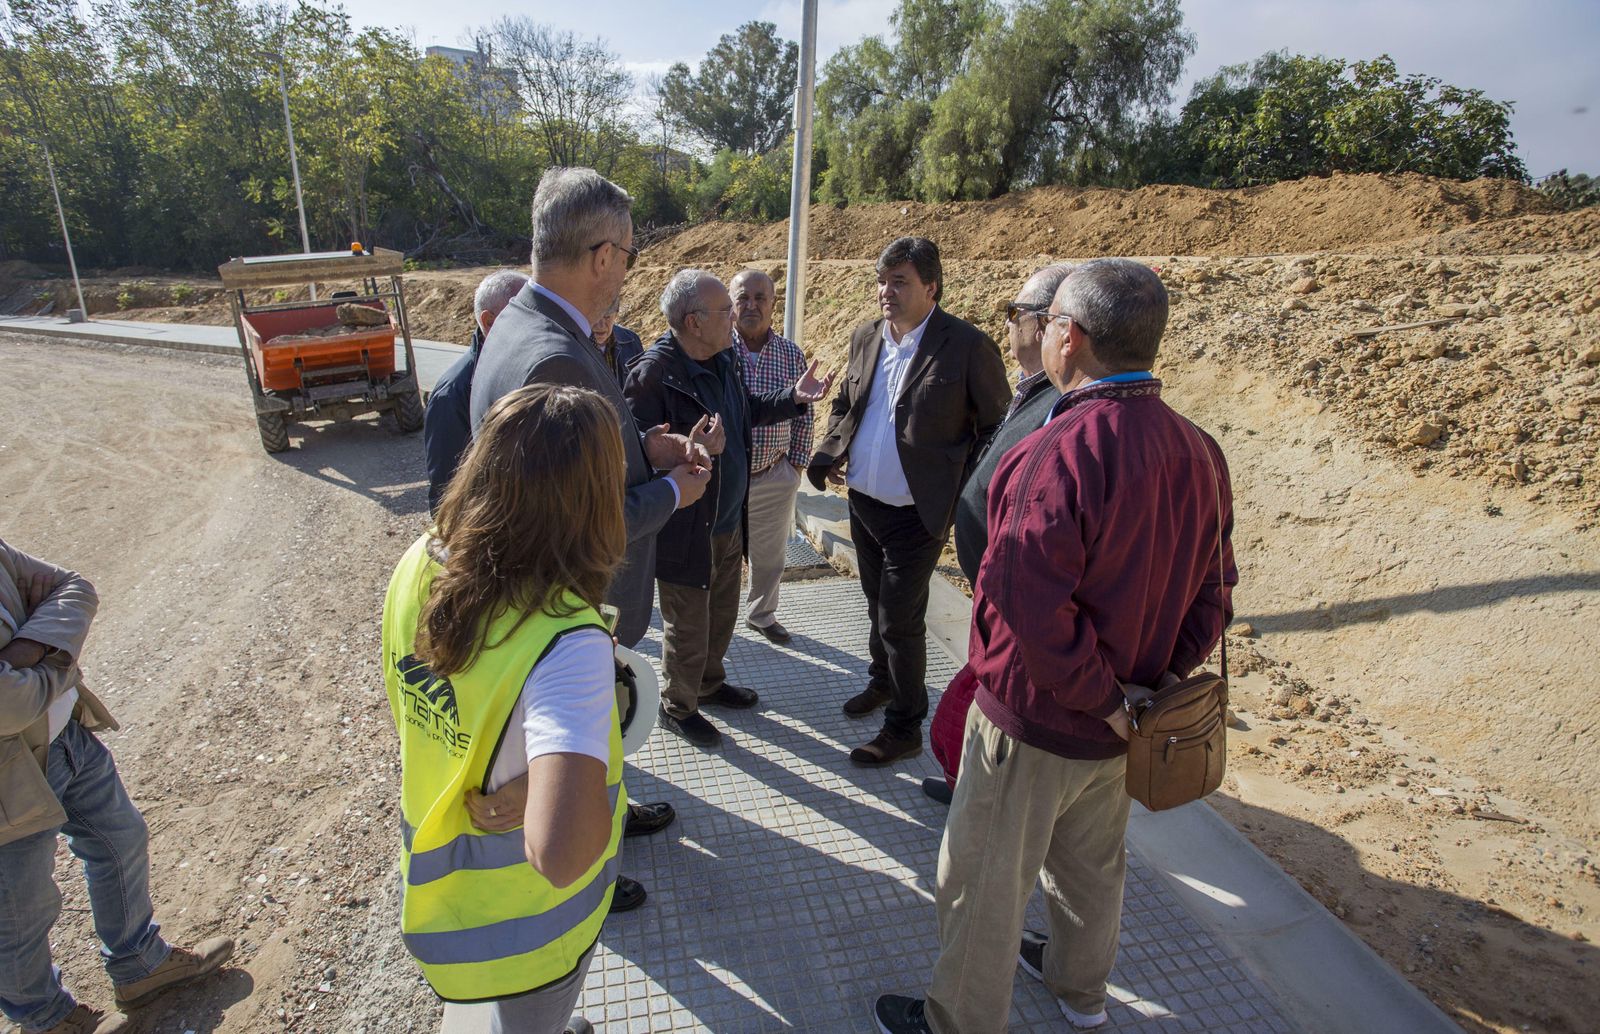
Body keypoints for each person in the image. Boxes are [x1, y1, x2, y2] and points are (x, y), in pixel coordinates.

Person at [872, 259, 1238, 1034]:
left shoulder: (1058, 450)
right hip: (1126, 725)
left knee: (981, 883)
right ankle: (1081, 992)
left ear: (1066, 337)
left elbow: (1028, 609)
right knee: (1091, 871)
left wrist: (1105, 699)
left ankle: (958, 1021)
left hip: (1035, 726)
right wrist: (1149, 689)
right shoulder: (1201, 450)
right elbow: (1215, 595)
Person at [467, 166, 696, 911]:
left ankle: (616, 815)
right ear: (602, 256)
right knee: (585, 738)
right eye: (628, 256)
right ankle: (598, 868)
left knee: (605, 735)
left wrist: (642, 450)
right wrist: (671, 490)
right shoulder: (557, 356)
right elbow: (577, 526)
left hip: (552, 605)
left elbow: (573, 469)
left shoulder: (525, 324)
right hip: (571, 610)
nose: (626, 272)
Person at [384, 384, 634, 1034]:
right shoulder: (567, 642)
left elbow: (460, 703)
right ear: (594, 499)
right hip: (529, 927)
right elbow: (561, 855)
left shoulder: (417, 563)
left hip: (444, 891)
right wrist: (552, 786)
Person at [1, 539, 233, 1034]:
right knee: (20, 908)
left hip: (66, 738)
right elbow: (8, 705)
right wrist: (55, 652)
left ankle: (139, 965)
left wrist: (27, 650)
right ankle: (45, 1019)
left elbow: (75, 586)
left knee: (120, 839)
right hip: (9, 777)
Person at [807, 236, 1009, 766]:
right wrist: (834, 450)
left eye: (899, 282)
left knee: (900, 619)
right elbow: (847, 403)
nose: (886, 292)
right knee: (876, 608)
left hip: (918, 515)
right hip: (865, 505)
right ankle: (882, 682)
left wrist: (958, 486)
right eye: (882, 281)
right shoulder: (867, 336)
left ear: (931, 287)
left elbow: (996, 429)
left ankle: (905, 725)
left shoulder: (965, 345)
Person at [624, 270, 830, 748]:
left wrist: (793, 399)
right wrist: (685, 449)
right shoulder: (653, 373)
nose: (735, 316)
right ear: (695, 322)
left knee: (720, 614)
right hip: (685, 527)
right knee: (688, 624)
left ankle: (709, 685)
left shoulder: (723, 359)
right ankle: (678, 706)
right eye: (726, 310)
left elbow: (747, 411)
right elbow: (633, 456)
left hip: (726, 520)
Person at [925, 262, 1075, 805]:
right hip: (993, 588)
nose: (1006, 325)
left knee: (1005, 704)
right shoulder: (1033, 389)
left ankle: (987, 793)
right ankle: (970, 775)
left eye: (1014, 314)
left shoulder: (1062, 404)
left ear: (1047, 325)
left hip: (1015, 600)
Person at [729, 269, 813, 646]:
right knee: (721, 556)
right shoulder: (716, 350)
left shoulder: (790, 354)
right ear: (730, 304)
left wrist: (794, 467)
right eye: (743, 298)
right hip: (725, 476)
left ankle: (761, 614)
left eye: (760, 298)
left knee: (770, 558)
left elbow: (804, 415)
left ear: (773, 304)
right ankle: (718, 623)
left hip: (773, 474)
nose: (751, 305)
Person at [423, 269, 528, 514]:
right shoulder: (452, 394)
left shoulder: (527, 367)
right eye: (524, 312)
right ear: (490, 322)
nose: (538, 320)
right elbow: (447, 497)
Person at [590, 299, 644, 387]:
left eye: (607, 317)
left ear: (615, 315)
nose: (600, 325)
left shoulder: (631, 340)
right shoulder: (575, 344)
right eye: (595, 317)